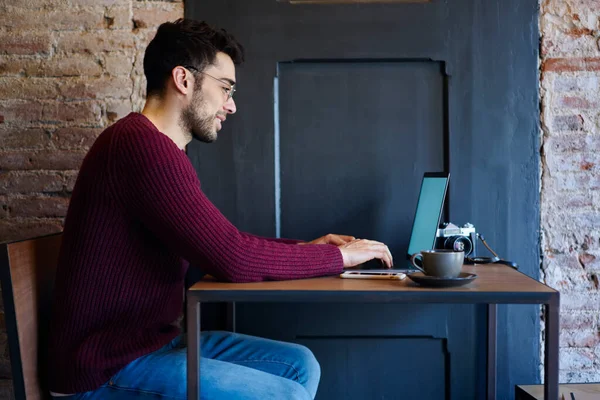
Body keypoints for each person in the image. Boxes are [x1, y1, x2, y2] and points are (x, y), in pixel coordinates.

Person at [47, 18, 393, 400]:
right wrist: (339, 257)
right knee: (286, 394)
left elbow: (224, 246)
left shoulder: (156, 149)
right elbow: (233, 257)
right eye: (225, 88)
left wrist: (311, 250)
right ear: (183, 79)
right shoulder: (141, 149)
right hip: (106, 368)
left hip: (152, 347)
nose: (231, 105)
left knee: (300, 364)